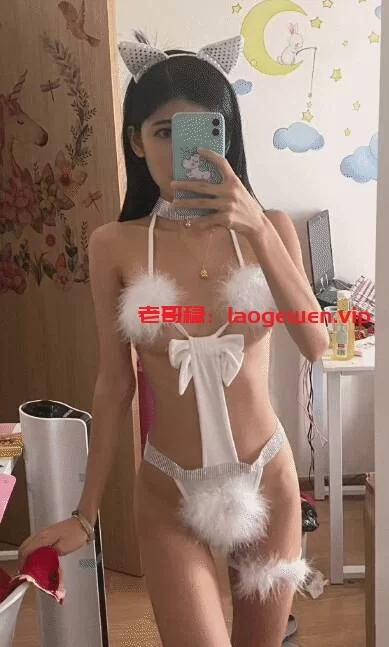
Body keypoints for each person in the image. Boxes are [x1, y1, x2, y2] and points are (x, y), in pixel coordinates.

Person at [18, 31, 330, 647]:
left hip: (266, 477)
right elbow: (114, 384)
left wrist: (257, 229)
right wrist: (86, 512)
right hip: (168, 488)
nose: (183, 151)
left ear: (226, 136)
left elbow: (317, 344)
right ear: (136, 141)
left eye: (205, 130)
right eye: (163, 132)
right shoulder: (114, 246)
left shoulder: (269, 229)